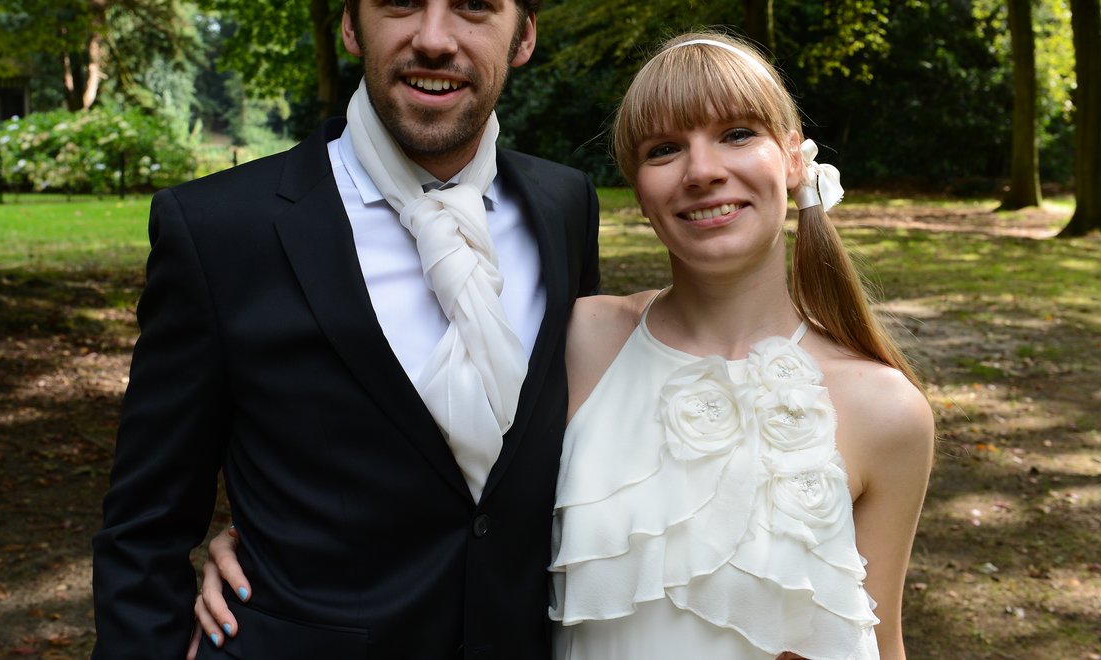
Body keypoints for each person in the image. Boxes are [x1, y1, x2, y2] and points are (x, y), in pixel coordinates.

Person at [194, 32, 934, 659]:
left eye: (738, 134)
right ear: (636, 188)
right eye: (665, 148)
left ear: (795, 161)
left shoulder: (885, 411)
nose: (704, 170)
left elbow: (882, 639)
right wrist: (264, 546)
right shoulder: (582, 340)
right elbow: (441, 482)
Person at [90, 0, 600, 660]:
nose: (435, 37)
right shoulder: (219, 230)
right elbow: (143, 530)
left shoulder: (566, 207)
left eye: (474, 4)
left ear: (524, 34)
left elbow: (570, 457)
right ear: (353, 27)